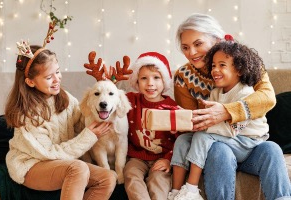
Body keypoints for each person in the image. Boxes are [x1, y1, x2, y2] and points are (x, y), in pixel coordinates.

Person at [168, 13, 291, 200]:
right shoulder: (183, 77)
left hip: (249, 144)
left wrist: (227, 112)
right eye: (186, 47)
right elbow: (193, 123)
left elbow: (267, 97)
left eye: (198, 44)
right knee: (219, 150)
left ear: (217, 39)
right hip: (217, 148)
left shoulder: (244, 62)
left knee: (272, 149)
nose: (192, 52)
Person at [5, 43, 117, 200]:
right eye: (49, 77)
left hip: (59, 162)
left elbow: (81, 122)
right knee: (77, 168)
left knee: (108, 178)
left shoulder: (64, 98)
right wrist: (90, 135)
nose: (57, 79)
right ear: (30, 82)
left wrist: (101, 95)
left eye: (57, 72)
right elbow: (49, 154)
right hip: (32, 165)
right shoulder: (28, 115)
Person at [174, 40, 270, 200]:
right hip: (226, 137)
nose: (215, 70)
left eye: (222, 65)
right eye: (213, 66)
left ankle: (191, 189)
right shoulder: (215, 92)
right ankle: (175, 192)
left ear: (238, 70)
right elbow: (212, 119)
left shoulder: (245, 93)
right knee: (183, 139)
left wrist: (204, 126)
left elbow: (233, 130)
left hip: (247, 141)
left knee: (201, 136)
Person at [124, 52, 179, 200]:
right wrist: (110, 80)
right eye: (144, 78)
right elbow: (112, 97)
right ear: (136, 81)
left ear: (164, 81)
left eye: (156, 77)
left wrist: (169, 159)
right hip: (136, 157)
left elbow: (180, 139)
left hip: (162, 157)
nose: (150, 83)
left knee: (158, 181)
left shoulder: (171, 107)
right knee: (131, 175)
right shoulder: (130, 100)